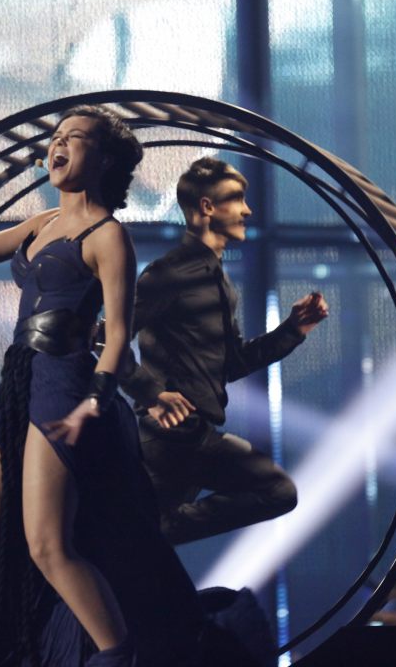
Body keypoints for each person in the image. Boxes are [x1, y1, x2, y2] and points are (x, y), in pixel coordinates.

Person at [0, 107, 210, 666]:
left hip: (63, 389)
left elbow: (118, 337)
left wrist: (93, 403)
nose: (58, 145)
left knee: (48, 545)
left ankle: (117, 656)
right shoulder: (41, 223)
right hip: (18, 385)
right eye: (56, 137)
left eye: (74, 138)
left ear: (103, 160)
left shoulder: (108, 236)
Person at [121, 156, 329, 546]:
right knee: (277, 491)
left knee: (141, 549)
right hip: (173, 439)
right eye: (237, 199)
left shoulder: (218, 280)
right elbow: (105, 338)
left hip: (191, 435)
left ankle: (147, 534)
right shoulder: (169, 273)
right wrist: (152, 396)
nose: (248, 210)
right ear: (207, 207)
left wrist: (294, 329)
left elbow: (232, 363)